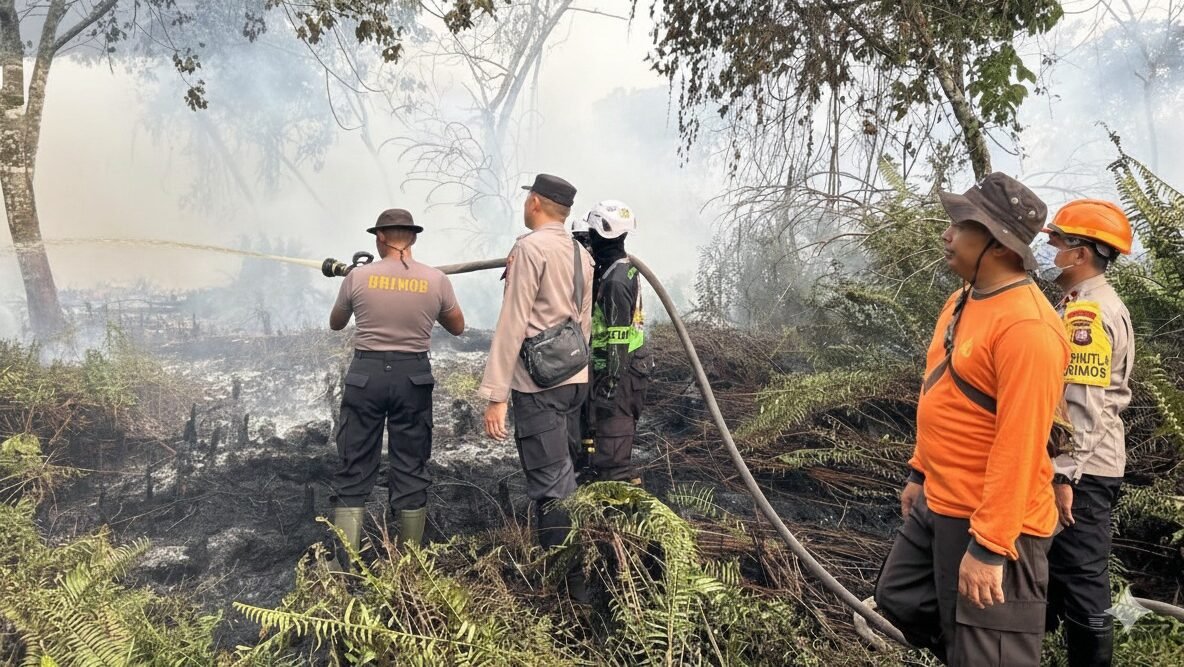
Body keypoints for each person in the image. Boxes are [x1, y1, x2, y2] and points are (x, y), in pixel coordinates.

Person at [874, 173, 1070, 666]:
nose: (947, 234)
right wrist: (920, 472)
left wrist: (989, 548)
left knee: (989, 653)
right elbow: (939, 387)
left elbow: (1021, 446)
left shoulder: (1028, 329)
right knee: (899, 599)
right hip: (941, 501)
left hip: (997, 521)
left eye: (961, 225)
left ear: (999, 245)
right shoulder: (961, 300)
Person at [326, 208, 465, 569]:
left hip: (366, 375)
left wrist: (356, 280)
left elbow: (336, 323)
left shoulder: (358, 277)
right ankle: (409, 565)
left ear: (382, 238)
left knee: (354, 461)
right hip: (413, 377)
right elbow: (458, 327)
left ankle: (346, 563)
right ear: (413, 238)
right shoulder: (435, 279)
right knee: (411, 462)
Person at [478, 174, 593, 588]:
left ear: (536, 204)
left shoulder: (529, 250)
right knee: (569, 477)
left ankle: (567, 588)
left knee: (551, 488)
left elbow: (512, 322)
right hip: (575, 381)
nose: (524, 203)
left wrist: (496, 394)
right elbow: (583, 322)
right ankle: (580, 570)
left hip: (539, 388)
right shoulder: (583, 253)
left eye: (528, 197)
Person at [1034, 200, 1135, 667]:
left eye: (1056, 242)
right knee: (1060, 572)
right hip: (1083, 466)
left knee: (1082, 578)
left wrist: (1064, 476)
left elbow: (1083, 404)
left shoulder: (1088, 315)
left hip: (1084, 470)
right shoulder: (1081, 302)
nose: (1047, 248)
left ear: (1081, 254)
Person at [580, 200, 652, 484]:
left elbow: (618, 339)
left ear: (601, 233)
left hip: (620, 370)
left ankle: (617, 495)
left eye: (591, 233)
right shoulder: (620, 267)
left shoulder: (615, 281)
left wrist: (608, 386)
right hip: (627, 365)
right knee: (602, 436)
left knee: (611, 439)